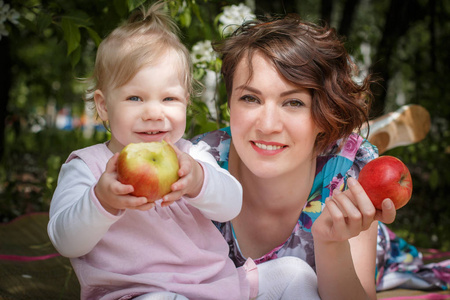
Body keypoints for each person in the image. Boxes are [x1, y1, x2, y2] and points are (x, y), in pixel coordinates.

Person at [47, 3, 322, 300]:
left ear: (186, 103)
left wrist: (198, 181)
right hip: (142, 293)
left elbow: (231, 204)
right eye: (135, 97)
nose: (153, 112)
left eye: (168, 98)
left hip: (219, 287)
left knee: (296, 272)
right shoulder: (88, 167)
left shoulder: (191, 156)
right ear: (103, 105)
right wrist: (101, 200)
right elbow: (66, 241)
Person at [192, 15, 399, 300]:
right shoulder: (197, 168)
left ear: (324, 116)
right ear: (229, 104)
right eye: (250, 98)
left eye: (293, 102)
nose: (267, 125)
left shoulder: (348, 175)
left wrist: (331, 244)